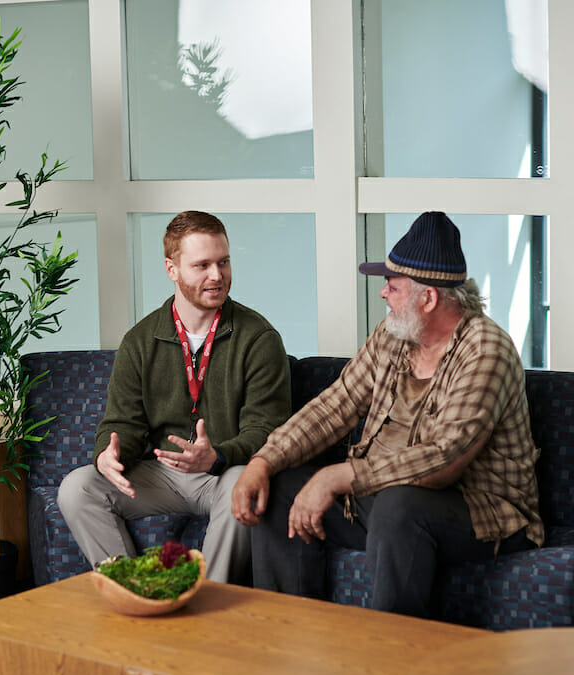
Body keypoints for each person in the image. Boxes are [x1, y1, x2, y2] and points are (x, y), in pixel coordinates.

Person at [231, 211, 543, 616]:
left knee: (401, 508)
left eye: (393, 287)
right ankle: (289, 638)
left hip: (479, 511)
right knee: (279, 490)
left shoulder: (487, 350)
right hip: (384, 497)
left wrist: (340, 475)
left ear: (428, 298)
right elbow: (335, 405)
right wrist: (262, 461)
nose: (383, 295)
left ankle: (389, 661)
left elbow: (444, 458)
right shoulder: (395, 335)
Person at [58, 211, 290, 584]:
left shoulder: (259, 338)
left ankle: (206, 601)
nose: (217, 275)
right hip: (160, 475)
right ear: (172, 269)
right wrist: (109, 453)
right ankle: (137, 590)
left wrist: (218, 456)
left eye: (224, 262)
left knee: (241, 482)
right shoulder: (140, 340)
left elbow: (268, 428)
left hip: (221, 473)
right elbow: (121, 422)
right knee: (77, 487)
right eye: (202, 265)